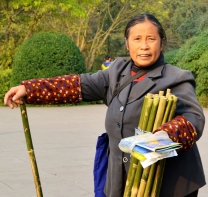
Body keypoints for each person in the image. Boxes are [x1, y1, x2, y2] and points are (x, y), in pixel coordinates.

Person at [4, 13, 206, 197]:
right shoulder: (117, 71)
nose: (144, 45)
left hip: (168, 186)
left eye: (151, 39)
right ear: (127, 44)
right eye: (137, 39)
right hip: (122, 181)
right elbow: (77, 85)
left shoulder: (176, 78)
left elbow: (193, 120)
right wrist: (30, 89)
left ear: (161, 43)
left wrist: (158, 139)